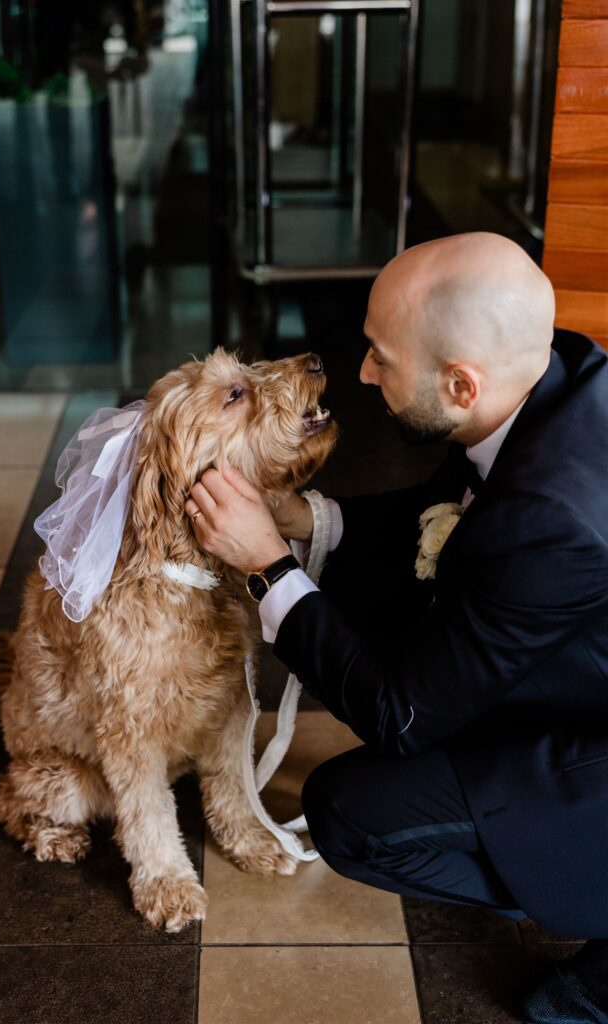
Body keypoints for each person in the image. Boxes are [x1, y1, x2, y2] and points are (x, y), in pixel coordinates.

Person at [184, 232, 608, 1024]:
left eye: (381, 356)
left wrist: (267, 565)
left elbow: (399, 716)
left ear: (460, 383)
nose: (362, 372)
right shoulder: (556, 376)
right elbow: (440, 511)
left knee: (351, 815)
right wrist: (304, 519)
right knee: (379, 607)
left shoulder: (556, 520)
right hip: (579, 667)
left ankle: (586, 894)